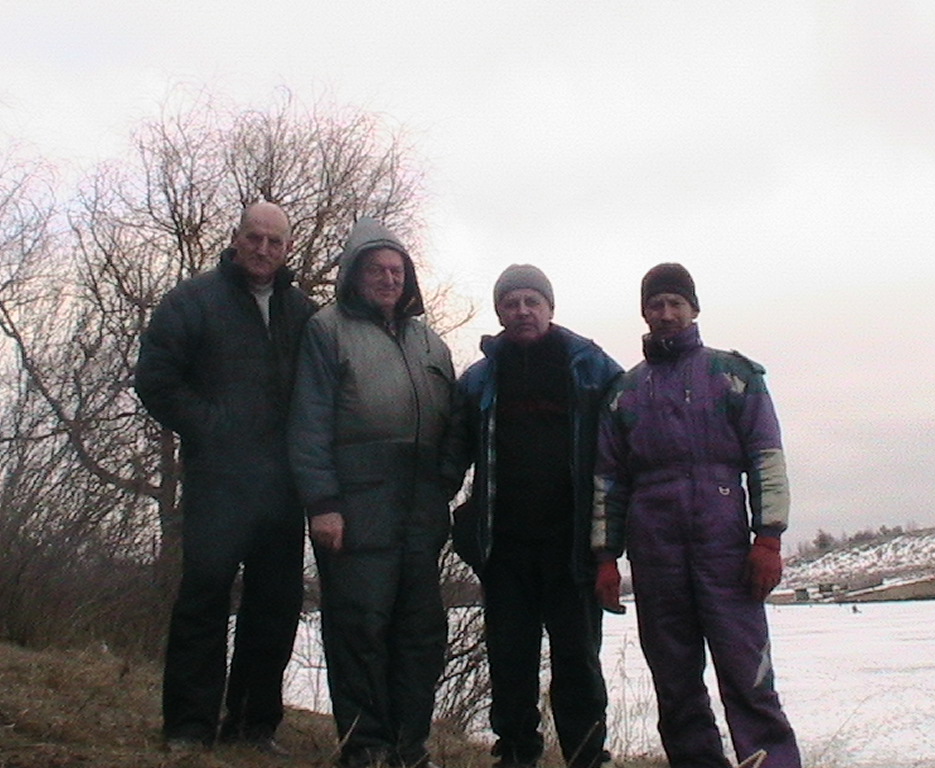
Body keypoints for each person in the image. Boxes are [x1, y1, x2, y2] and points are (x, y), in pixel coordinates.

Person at [591, 263, 801, 768]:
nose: (666, 314)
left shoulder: (734, 376)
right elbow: (607, 481)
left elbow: (767, 460)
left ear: (694, 309)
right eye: (656, 305)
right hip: (654, 553)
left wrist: (768, 539)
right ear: (644, 313)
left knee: (749, 677)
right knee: (676, 685)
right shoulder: (624, 392)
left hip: (725, 551)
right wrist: (605, 557)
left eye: (675, 304)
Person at [135, 202, 317, 753]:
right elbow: (155, 380)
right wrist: (213, 427)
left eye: (274, 241)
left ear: (288, 249)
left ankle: (252, 725)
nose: (263, 249)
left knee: (275, 607)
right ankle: (188, 727)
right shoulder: (192, 301)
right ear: (236, 238)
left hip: (282, 489)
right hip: (216, 481)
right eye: (254, 237)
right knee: (204, 600)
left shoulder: (304, 314)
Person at [288, 218, 462, 768]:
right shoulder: (327, 330)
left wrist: (444, 483)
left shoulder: (430, 342)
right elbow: (309, 421)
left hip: (420, 508)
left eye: (397, 271)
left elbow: (455, 423)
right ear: (353, 275)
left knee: (421, 633)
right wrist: (323, 503)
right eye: (376, 270)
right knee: (359, 627)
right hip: (356, 504)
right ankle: (365, 746)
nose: (388, 279)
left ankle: (409, 746)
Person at [455, 265, 622, 768]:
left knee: (578, 662)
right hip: (504, 549)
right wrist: (458, 522)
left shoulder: (591, 368)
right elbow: (450, 453)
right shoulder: (480, 379)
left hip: (572, 548)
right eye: (511, 303)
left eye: (532, 301)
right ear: (499, 312)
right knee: (509, 660)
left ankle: (587, 757)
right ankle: (516, 754)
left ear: (550, 308)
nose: (522, 311)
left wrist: (614, 533)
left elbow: (627, 445)